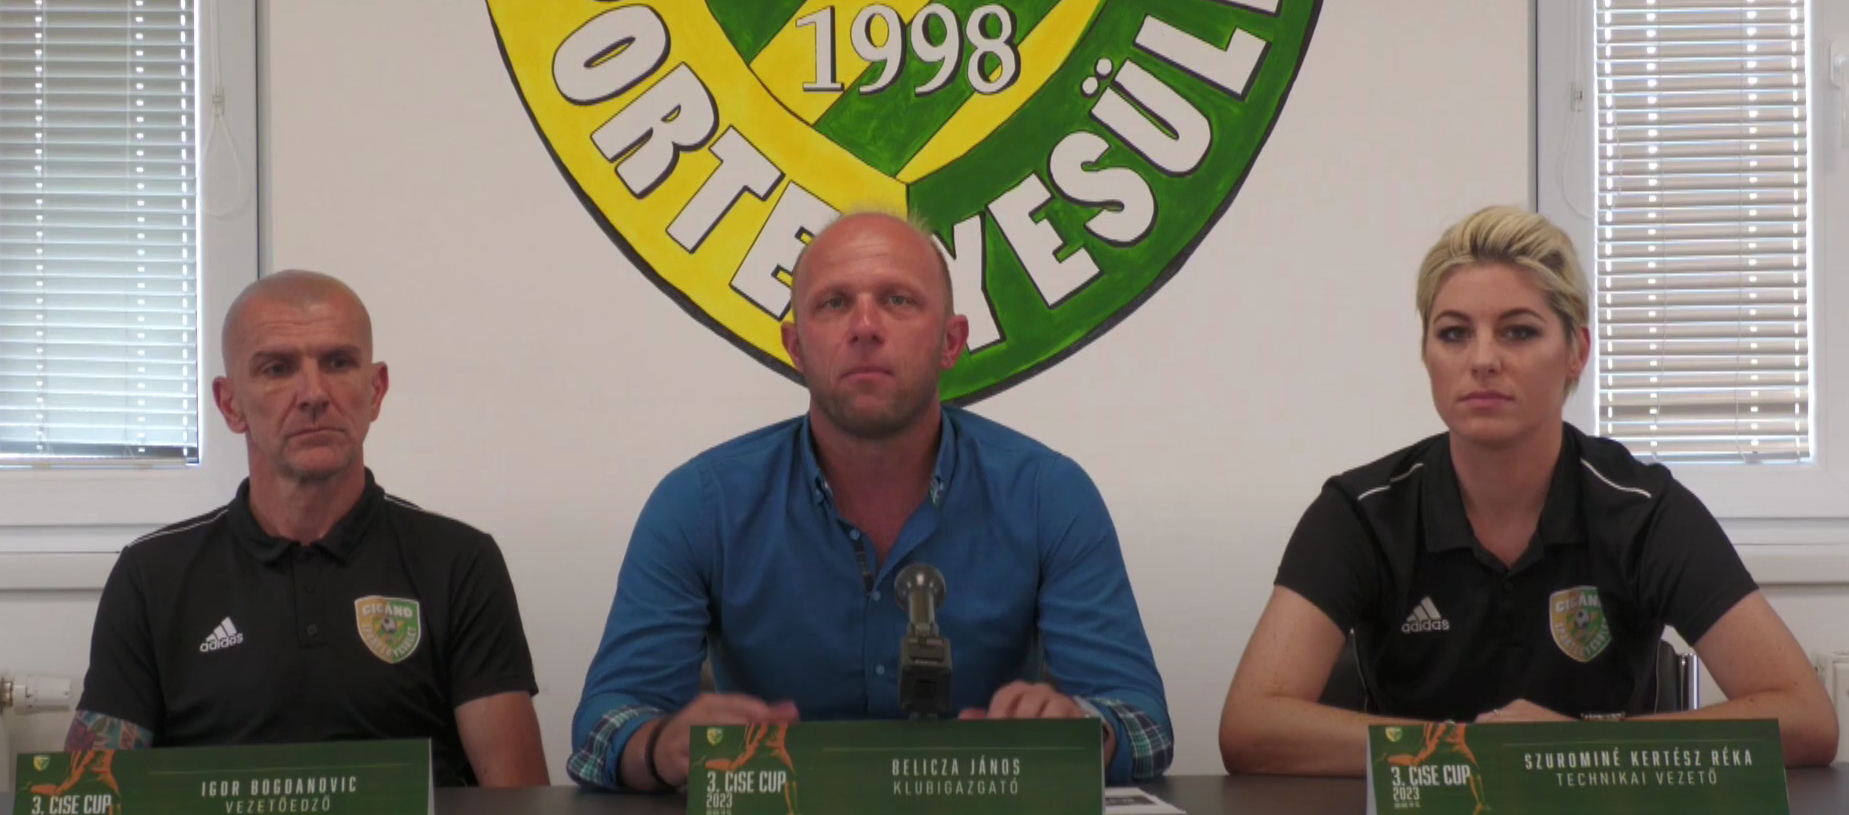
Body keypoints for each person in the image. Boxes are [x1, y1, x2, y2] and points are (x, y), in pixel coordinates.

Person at [1218, 206, 1839, 775]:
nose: (1483, 359)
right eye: (1454, 333)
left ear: (1576, 352)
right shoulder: (1361, 513)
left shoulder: (1643, 510)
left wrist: (1575, 747)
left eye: (1518, 332)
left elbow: (1807, 720)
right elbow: (1251, 726)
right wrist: (1468, 750)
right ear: (1426, 354)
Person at [569, 212, 1171, 792]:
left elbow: (1144, 724)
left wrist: (1083, 730)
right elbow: (603, 726)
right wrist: (659, 745)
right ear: (796, 347)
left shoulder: (1048, 495)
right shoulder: (701, 504)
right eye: (834, 304)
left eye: (898, 300)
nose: (864, 326)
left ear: (951, 342)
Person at [66, 271, 550, 788]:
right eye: (277, 368)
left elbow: (518, 798)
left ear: (376, 390)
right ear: (230, 404)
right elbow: (90, 792)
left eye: (338, 363)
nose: (314, 393)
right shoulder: (151, 576)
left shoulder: (460, 563)